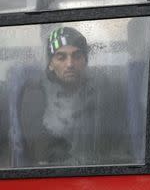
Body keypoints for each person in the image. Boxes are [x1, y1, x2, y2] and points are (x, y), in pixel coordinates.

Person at [19, 27, 131, 166]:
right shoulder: (35, 93)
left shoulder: (105, 91)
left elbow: (114, 141)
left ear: (85, 60)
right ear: (50, 64)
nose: (70, 64)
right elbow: (39, 149)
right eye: (61, 57)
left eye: (77, 56)